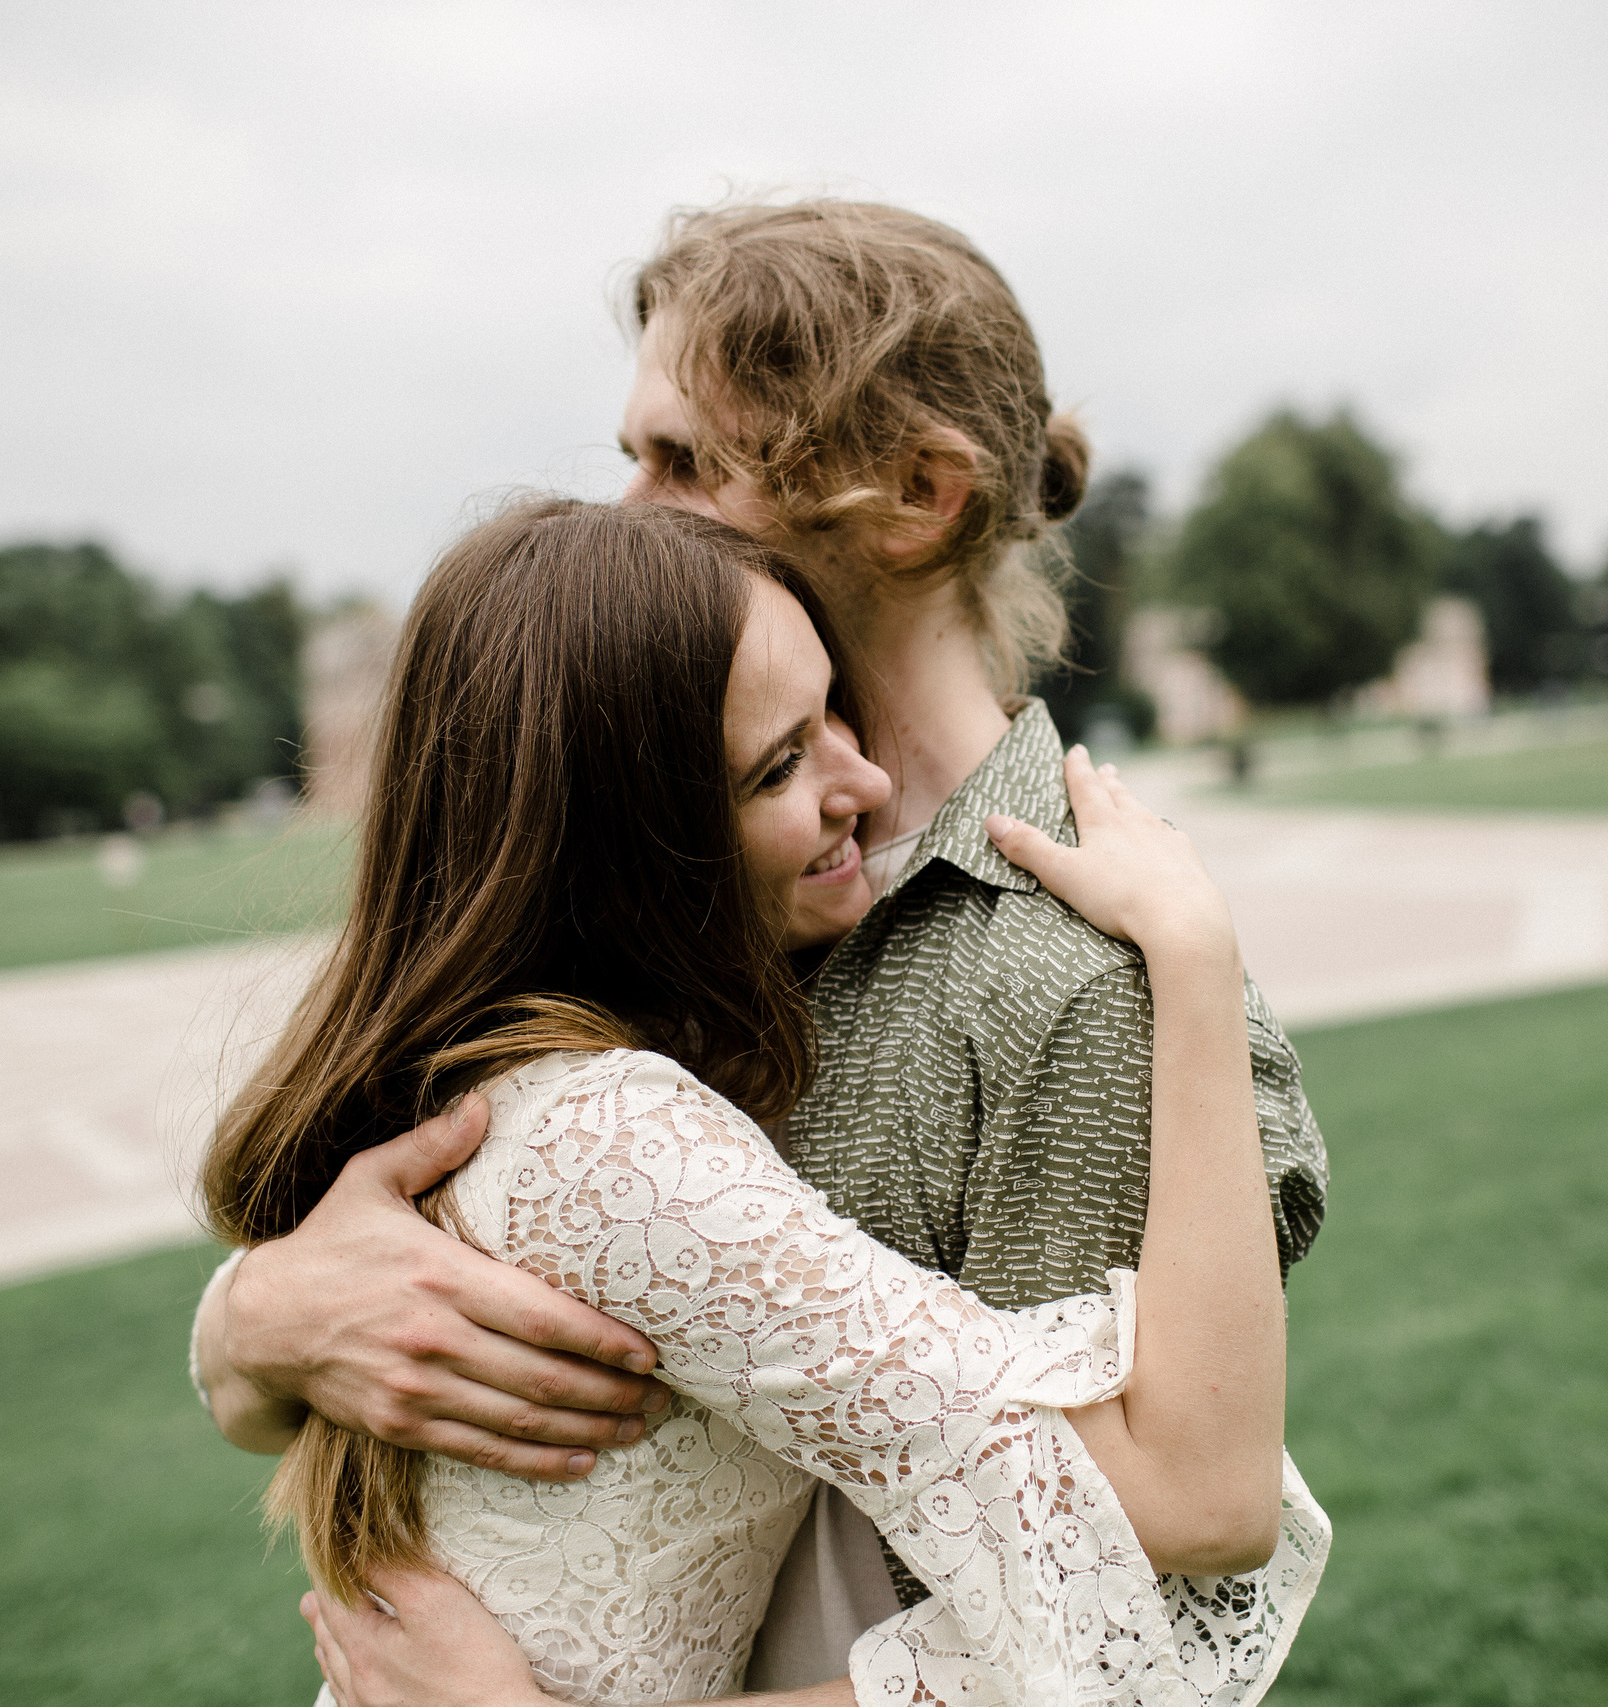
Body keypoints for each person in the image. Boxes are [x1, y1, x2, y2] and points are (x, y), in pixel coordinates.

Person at [190, 199, 1330, 1692]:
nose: (629, 510)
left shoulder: (1057, 976)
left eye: (679, 462)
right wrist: (257, 1322)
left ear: (917, 494)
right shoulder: (677, 870)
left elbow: (1138, 1624)